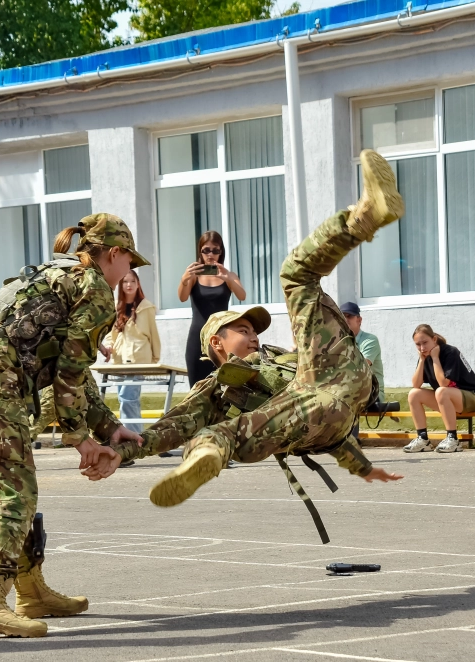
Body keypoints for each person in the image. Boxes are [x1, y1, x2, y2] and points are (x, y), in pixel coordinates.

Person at [90, 150, 405, 519]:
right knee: (213, 432)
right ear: (216, 343)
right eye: (242, 330)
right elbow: (168, 429)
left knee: (297, 276)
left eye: (254, 330)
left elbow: (335, 414)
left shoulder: (276, 357)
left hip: (337, 376)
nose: (253, 336)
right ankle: (204, 457)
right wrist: (121, 452)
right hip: (311, 412)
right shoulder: (215, 391)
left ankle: (366, 215)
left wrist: (357, 460)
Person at [0, 213, 145, 638]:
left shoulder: (59, 274)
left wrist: (107, 428)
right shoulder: (95, 289)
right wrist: (78, 437)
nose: (130, 272)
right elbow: (70, 368)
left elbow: (71, 368)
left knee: (11, 486)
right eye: (130, 262)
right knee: (15, 490)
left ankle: (30, 590)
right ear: (115, 253)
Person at [402, 325, 475, 454]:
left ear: (434, 339)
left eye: (425, 342)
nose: (422, 348)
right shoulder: (425, 356)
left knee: (441, 390)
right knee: (413, 394)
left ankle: (453, 439)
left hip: (472, 397)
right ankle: (423, 439)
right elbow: (416, 384)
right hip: (448, 399)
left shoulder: (450, 352)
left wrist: (435, 358)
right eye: (418, 345)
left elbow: (443, 383)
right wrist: (421, 360)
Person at [178, 231, 246, 385]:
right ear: (200, 251)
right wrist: (184, 279)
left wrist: (228, 278)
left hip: (221, 337)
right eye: (206, 250)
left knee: (222, 387)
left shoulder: (229, 275)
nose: (211, 255)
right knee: (197, 388)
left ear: (221, 252)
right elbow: (182, 298)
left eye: (215, 250)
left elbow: (242, 296)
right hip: (198, 336)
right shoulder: (193, 275)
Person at [100, 268, 161, 434]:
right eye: (125, 281)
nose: (129, 285)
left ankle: (131, 438)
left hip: (138, 358)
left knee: (128, 399)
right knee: (127, 399)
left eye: (132, 281)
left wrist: (155, 358)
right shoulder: (116, 307)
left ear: (138, 284)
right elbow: (110, 333)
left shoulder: (146, 307)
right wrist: (108, 347)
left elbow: (153, 333)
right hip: (119, 359)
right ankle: (137, 435)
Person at [340, 302, 385, 405]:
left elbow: (360, 367)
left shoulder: (370, 340)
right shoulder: (338, 343)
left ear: (359, 320)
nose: (345, 319)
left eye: (349, 316)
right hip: (347, 391)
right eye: (342, 317)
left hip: (372, 393)